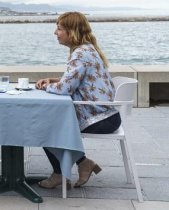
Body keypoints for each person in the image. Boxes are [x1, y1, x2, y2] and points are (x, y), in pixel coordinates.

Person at [35, 11, 121, 189]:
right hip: (109, 116)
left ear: (71, 31)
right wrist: (53, 80)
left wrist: (44, 87)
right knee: (50, 123)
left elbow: (66, 89)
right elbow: (77, 82)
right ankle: (82, 163)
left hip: (98, 119)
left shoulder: (80, 53)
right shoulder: (88, 49)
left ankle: (60, 173)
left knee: (45, 126)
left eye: (59, 28)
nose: (55, 32)